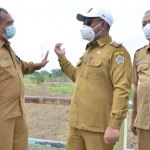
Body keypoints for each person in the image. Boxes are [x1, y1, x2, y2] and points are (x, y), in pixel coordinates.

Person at [54, 7, 132, 150]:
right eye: (83, 22)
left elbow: (122, 89)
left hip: (98, 129)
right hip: (76, 125)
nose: (84, 26)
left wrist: (114, 125)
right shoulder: (88, 51)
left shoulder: (116, 52)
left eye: (88, 21)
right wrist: (62, 58)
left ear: (102, 24)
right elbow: (77, 77)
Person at [0, 8, 49, 150]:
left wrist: (39, 65)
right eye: (9, 23)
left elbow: (21, 66)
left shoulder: (8, 49)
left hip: (19, 110)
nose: (12, 27)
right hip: (3, 114)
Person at [131, 10, 150, 150]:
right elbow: (137, 87)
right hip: (144, 121)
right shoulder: (139, 54)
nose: (147, 26)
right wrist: (134, 118)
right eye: (144, 24)